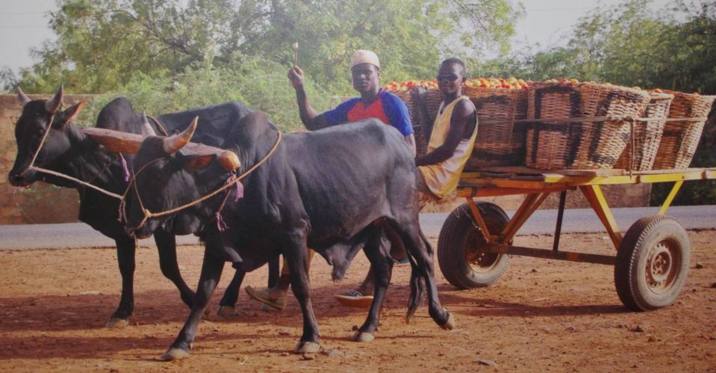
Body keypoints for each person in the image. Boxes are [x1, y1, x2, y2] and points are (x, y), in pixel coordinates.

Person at [244, 50, 416, 310]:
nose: (361, 77)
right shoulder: (350, 108)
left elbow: (409, 147)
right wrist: (300, 88)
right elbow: (313, 123)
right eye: (357, 73)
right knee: (308, 220)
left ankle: (373, 282)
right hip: (355, 182)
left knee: (389, 228)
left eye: (367, 72)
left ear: (378, 74)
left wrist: (395, 177)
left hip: (384, 180)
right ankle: (281, 289)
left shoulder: (392, 104)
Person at [336, 57, 479, 305]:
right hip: (431, 167)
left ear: (463, 81)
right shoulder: (447, 103)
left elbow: (446, 151)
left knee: (382, 197)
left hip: (441, 174)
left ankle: (399, 249)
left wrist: (411, 162)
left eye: (451, 78)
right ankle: (395, 250)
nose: (446, 82)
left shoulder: (464, 108)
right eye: (442, 77)